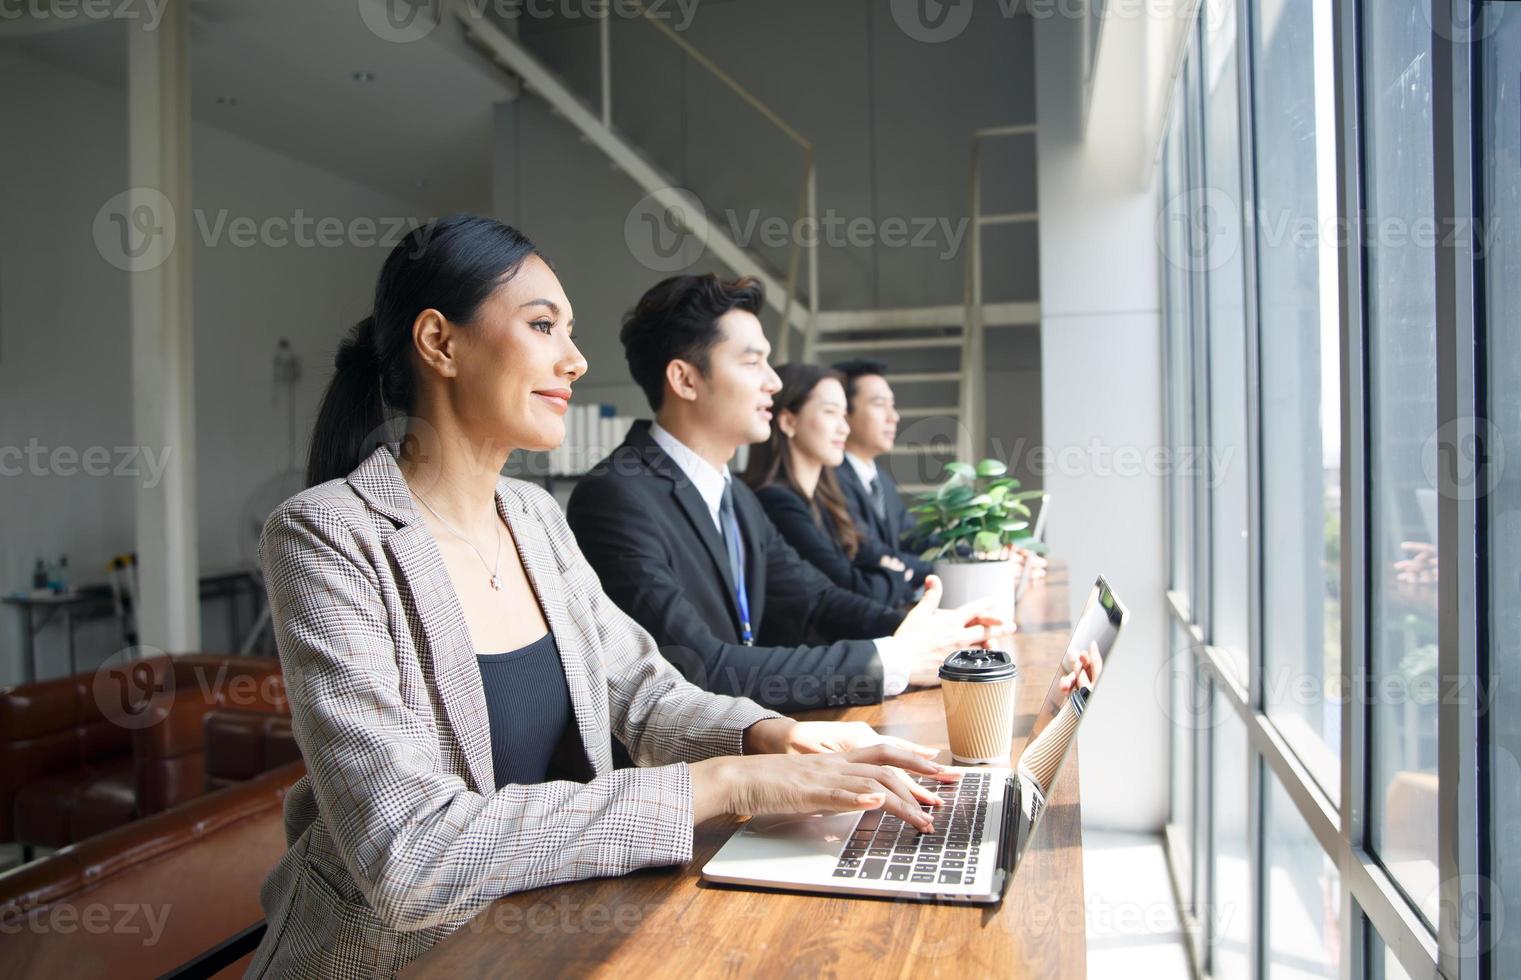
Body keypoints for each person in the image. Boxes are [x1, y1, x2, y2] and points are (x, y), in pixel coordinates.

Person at [247, 216, 961, 978]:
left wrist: (772, 738)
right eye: (543, 324)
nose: (575, 359)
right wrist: (722, 781)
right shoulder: (326, 536)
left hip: (556, 938)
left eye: (571, 330)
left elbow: (647, 696)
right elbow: (409, 851)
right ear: (440, 343)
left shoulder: (532, 517)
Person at [566, 274, 1011, 715]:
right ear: (684, 380)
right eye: (752, 362)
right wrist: (892, 660)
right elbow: (699, 667)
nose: (774, 383)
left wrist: (936, 631)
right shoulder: (616, 498)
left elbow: (815, 600)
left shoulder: (736, 496)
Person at [742, 362, 916, 608]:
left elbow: (866, 560)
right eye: (830, 412)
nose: (844, 428)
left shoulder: (828, 500)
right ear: (788, 422)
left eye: (844, 415)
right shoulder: (777, 502)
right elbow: (852, 589)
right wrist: (894, 576)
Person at [831, 358, 935, 586]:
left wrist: (975, 554)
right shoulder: (829, 479)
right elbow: (871, 553)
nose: (893, 416)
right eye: (879, 404)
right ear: (844, 413)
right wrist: (946, 570)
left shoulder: (881, 479)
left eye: (892, 405)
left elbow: (913, 537)